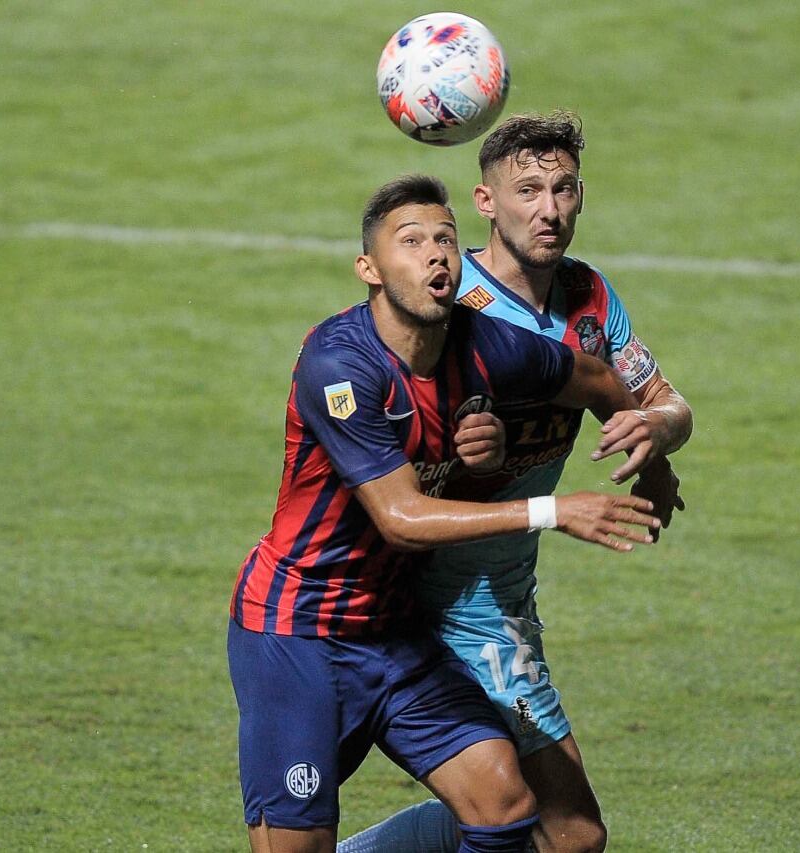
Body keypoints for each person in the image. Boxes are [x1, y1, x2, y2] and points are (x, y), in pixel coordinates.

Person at [227, 173, 665, 853]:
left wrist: (654, 455)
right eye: (411, 241)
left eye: (445, 239)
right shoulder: (338, 364)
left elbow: (594, 376)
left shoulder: (484, 342)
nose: (435, 253)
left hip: (395, 635)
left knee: (503, 800)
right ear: (368, 268)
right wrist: (552, 508)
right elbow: (400, 516)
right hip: (298, 633)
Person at [338, 114, 693, 853]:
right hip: (427, 588)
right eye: (527, 190)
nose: (549, 209)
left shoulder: (589, 299)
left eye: (563, 189)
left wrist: (657, 440)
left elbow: (655, 398)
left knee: (542, 821)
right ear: (486, 202)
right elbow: (380, 417)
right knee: (567, 830)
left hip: (500, 592)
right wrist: (467, 443)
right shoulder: (444, 295)